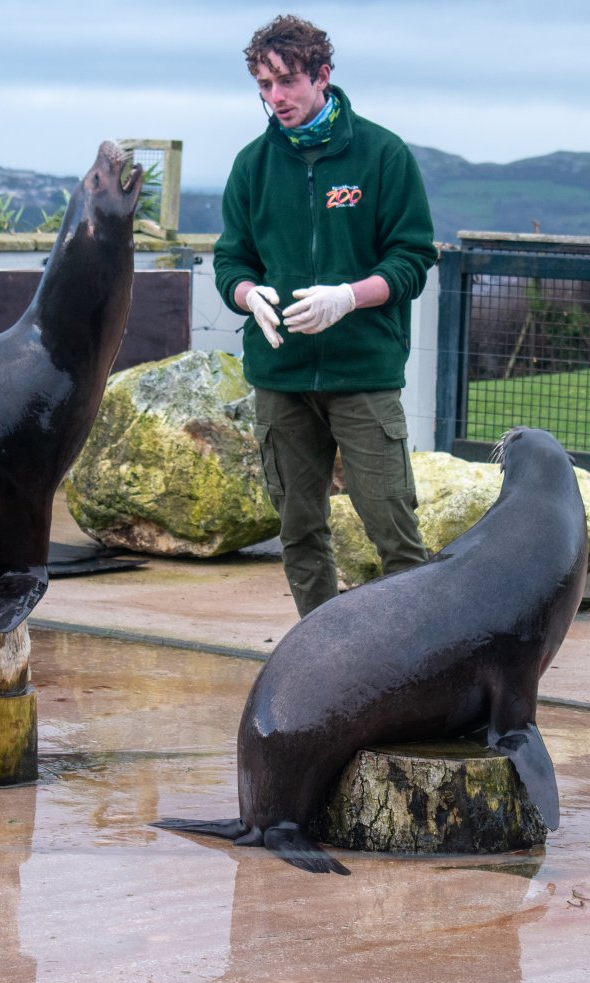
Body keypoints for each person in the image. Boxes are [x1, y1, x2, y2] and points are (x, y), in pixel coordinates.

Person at [214, 14, 439, 618]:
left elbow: (413, 258)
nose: (276, 98)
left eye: (286, 81)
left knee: (392, 527)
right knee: (299, 529)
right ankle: (321, 651)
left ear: (322, 75)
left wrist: (349, 296)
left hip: (362, 371)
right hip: (281, 375)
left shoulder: (382, 155)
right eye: (263, 85)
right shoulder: (252, 166)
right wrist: (244, 295)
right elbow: (232, 259)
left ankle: (419, 654)